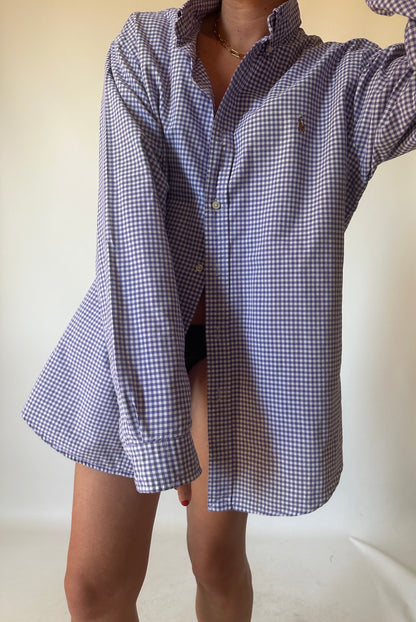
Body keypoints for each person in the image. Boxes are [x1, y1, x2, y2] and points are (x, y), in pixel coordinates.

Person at [22, 0, 415, 620]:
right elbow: (132, 241)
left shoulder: (348, 83)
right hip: (132, 344)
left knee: (216, 562)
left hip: (243, 367)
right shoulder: (149, 47)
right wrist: (161, 426)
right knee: (92, 589)